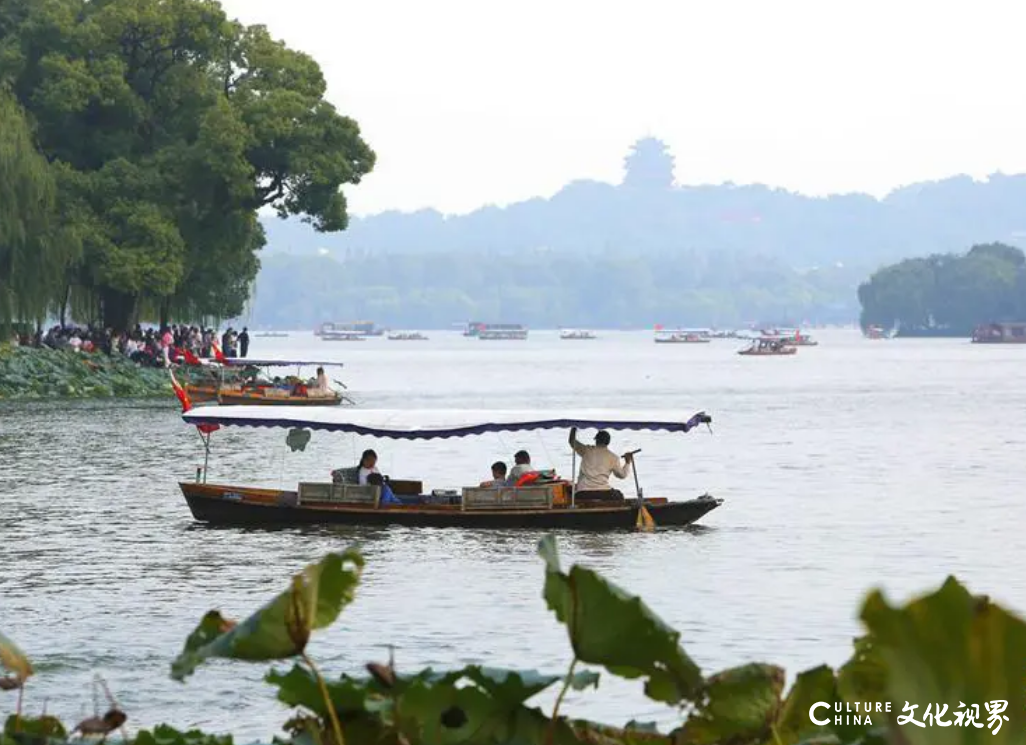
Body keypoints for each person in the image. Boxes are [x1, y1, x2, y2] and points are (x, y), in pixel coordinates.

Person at [568, 427, 633, 502]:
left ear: (596, 440)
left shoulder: (586, 450)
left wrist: (574, 428)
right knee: (619, 495)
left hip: (582, 492)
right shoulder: (613, 457)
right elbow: (622, 475)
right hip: (604, 492)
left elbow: (572, 441)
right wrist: (628, 462)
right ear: (608, 442)